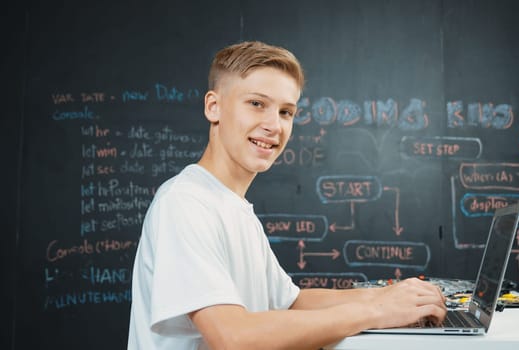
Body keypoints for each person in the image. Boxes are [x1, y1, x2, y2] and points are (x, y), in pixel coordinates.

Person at [128, 41, 446, 350]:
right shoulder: (185, 202)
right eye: (256, 104)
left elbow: (292, 303)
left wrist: (389, 297)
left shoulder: (233, 206)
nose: (273, 125)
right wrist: (375, 313)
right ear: (214, 107)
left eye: (285, 112)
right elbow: (232, 337)